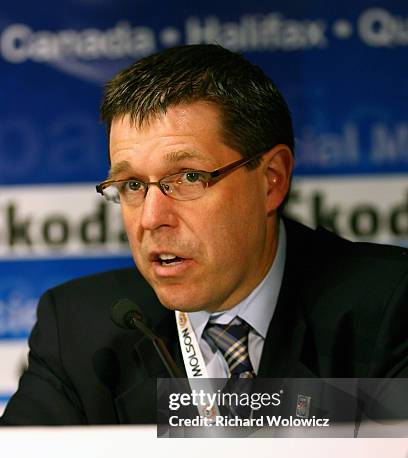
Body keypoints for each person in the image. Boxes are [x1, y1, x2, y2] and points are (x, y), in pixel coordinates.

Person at [1, 44, 407, 426]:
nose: (151, 218)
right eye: (131, 185)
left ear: (271, 180)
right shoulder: (78, 329)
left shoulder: (390, 307)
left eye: (189, 177)